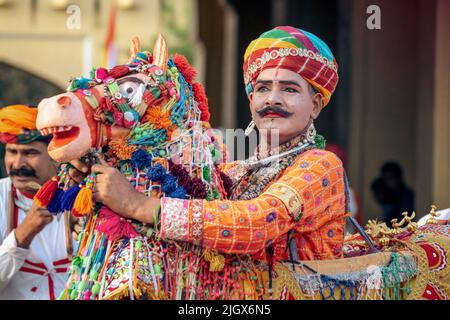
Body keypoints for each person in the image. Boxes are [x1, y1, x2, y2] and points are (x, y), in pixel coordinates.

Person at [75, 26, 349, 262]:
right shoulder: (233, 170)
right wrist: (100, 163)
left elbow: (257, 223)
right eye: (263, 88)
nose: (272, 100)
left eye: (289, 89)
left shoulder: (322, 165)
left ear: (315, 105)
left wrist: (137, 205)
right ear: (252, 100)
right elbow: (168, 167)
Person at [0, 105, 75, 299]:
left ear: (55, 156)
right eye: (12, 152)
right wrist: (23, 235)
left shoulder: (81, 197)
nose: (17, 164)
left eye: (30, 153)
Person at [371, 162, 415, 226]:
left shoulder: (406, 196)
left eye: (390, 178)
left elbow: (404, 221)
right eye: (385, 179)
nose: (387, 182)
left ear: (398, 178)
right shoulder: (386, 192)